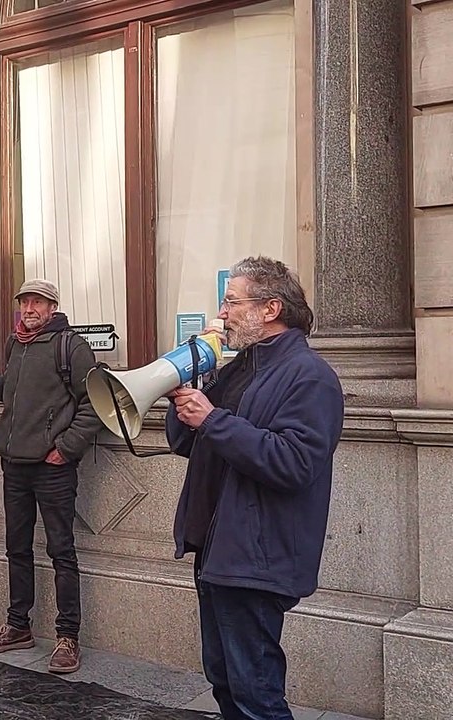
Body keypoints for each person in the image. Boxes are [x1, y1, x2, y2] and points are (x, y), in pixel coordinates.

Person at [166, 256, 343, 720]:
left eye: (231, 302)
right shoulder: (239, 368)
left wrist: (213, 418)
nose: (222, 314)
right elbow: (190, 443)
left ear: (270, 308)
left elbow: (295, 462)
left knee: (256, 691)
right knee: (224, 678)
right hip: (218, 550)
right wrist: (181, 395)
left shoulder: (311, 375)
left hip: (256, 554)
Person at [0, 278, 102, 673]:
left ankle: (68, 637)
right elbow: (14, 394)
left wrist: (66, 448)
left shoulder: (71, 346)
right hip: (14, 465)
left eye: (38, 303)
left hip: (52, 469)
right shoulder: (16, 344)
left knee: (62, 551)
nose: (30, 308)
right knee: (17, 548)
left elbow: (96, 402)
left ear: (52, 307)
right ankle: (17, 626)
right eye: (25, 301)